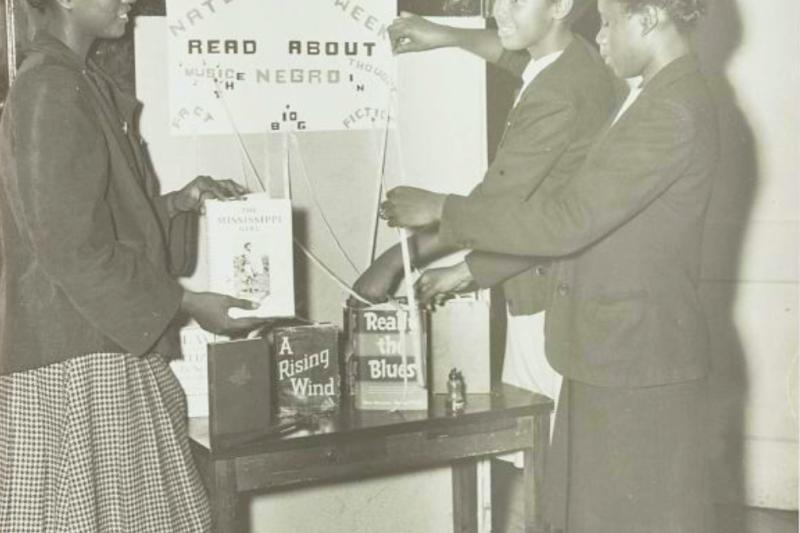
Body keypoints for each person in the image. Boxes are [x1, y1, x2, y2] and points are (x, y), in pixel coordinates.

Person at [381, 0, 718, 531]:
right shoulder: (650, 92)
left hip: (635, 356)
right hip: (608, 345)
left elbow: (567, 220)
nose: (599, 37)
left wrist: (442, 210)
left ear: (649, 18)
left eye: (608, 24)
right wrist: (448, 36)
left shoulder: (670, 110)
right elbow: (525, 63)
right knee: (579, 512)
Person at [0, 0, 267, 530]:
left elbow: (96, 226)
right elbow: (68, 246)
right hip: (75, 363)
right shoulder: (50, 89)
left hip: (100, 344)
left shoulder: (77, 82)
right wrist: (187, 302)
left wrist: (176, 205)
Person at [354, 0, 617, 427]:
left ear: (561, 6)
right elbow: (511, 53)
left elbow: (492, 207)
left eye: (516, 1)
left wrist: (398, 258)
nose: (498, 11)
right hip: (552, 284)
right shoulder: (573, 58)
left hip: (547, 302)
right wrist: (446, 35)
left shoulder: (557, 94)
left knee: (544, 443)